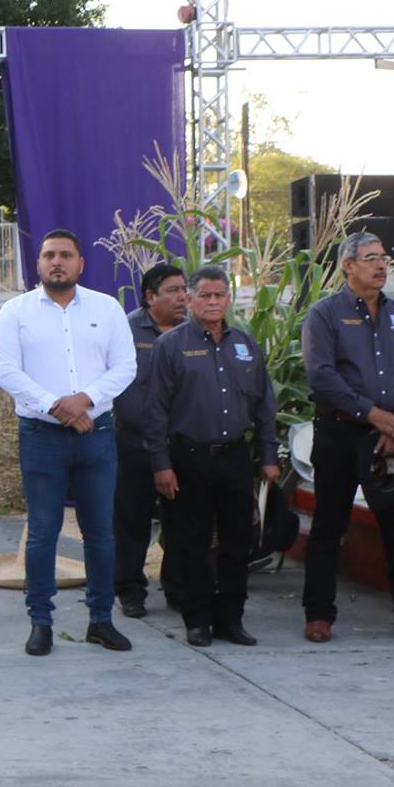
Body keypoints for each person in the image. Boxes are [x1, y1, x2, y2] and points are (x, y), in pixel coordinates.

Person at [0, 230, 136, 657]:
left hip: (97, 434)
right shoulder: (14, 312)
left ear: (80, 264)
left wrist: (84, 401)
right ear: (37, 264)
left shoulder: (106, 309)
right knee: (42, 533)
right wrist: (58, 407)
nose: (57, 262)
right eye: (49, 255)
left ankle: (100, 620)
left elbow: (126, 366)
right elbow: (7, 372)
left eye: (66, 255)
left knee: (100, 533)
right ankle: (41, 622)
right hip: (42, 436)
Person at [302, 233, 394, 645]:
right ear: (348, 267)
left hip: (391, 440)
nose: (381, 266)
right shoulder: (325, 315)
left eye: (384, 258)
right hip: (341, 433)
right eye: (370, 259)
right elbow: (322, 376)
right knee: (329, 525)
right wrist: (373, 414)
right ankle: (319, 615)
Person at [142, 266, 279, 648]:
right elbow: (155, 411)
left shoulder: (245, 344)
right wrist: (161, 464)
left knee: (238, 542)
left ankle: (230, 619)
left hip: (235, 456)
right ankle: (197, 619)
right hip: (189, 459)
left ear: (229, 299)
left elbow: (265, 403)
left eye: (220, 295)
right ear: (190, 298)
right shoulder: (172, 346)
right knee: (193, 543)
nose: (213, 302)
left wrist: (268, 454)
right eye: (205, 295)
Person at [112, 262, 190, 618]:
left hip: (181, 446)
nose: (182, 297)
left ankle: (177, 588)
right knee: (132, 521)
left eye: (183, 289)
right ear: (150, 296)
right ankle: (130, 590)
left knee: (181, 522)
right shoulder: (126, 330)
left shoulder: (193, 333)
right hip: (135, 443)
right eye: (173, 290)